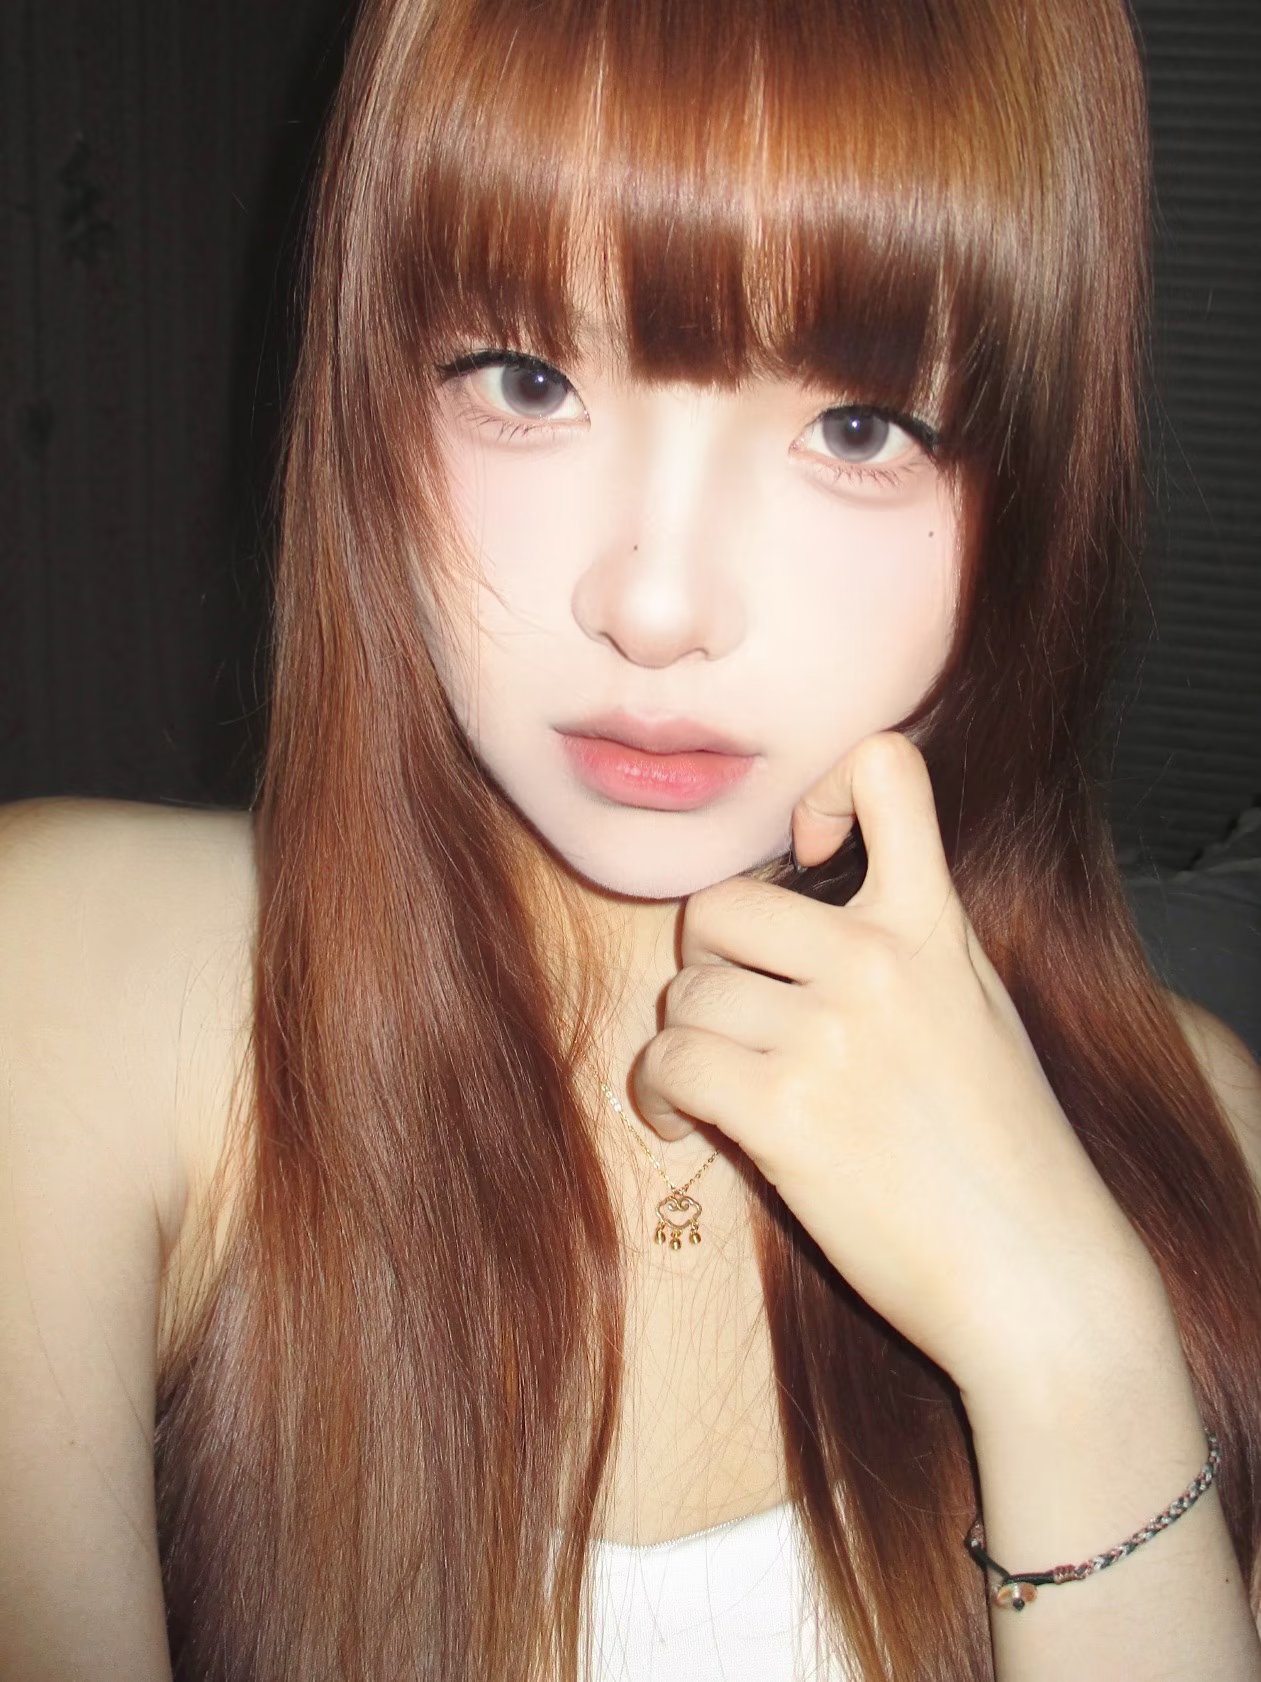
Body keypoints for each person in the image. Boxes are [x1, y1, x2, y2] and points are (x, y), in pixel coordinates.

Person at [3, 0, 1261, 1677]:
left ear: (1027, 477)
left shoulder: (1202, 1135)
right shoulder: (69, 992)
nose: (654, 608)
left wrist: (1073, 1353)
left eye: (855, 425)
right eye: (527, 381)